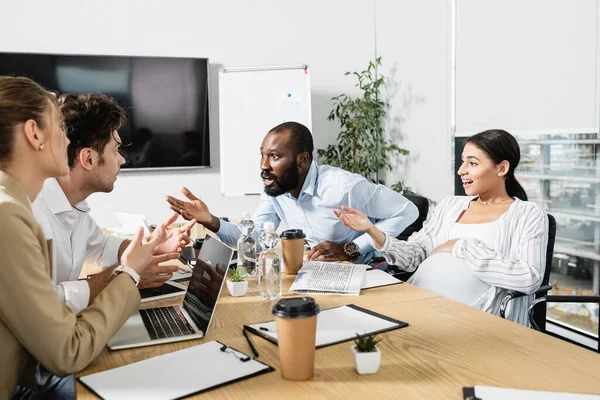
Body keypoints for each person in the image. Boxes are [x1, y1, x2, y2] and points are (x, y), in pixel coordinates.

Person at [0, 76, 178, 398]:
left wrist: (142, 254)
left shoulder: (39, 205)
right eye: (58, 128)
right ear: (33, 133)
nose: (66, 140)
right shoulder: (8, 214)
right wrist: (128, 274)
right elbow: (67, 351)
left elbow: (100, 246)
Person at [334, 129, 548, 325]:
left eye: (472, 163)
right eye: (463, 162)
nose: (461, 171)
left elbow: (529, 277)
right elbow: (414, 256)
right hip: (416, 300)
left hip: (468, 318)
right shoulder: (450, 205)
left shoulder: (528, 213)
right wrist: (372, 230)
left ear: (502, 168)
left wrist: (462, 247)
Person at [32, 93, 195, 314]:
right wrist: (127, 277)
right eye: (116, 150)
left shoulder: (74, 206)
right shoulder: (31, 214)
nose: (123, 159)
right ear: (88, 159)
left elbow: (103, 248)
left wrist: (154, 245)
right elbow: (46, 303)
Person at [167, 121, 419, 264]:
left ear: (302, 159)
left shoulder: (344, 188)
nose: (264, 166)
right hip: (318, 274)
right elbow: (252, 240)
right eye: (262, 155)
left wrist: (352, 248)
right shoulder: (275, 189)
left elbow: (408, 210)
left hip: (368, 275)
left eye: (274, 156)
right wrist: (211, 221)